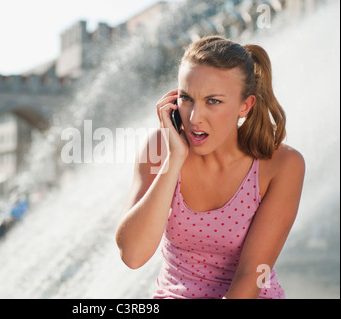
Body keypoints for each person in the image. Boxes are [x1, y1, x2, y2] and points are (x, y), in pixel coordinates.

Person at [115, 36, 305, 299]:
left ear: (244, 105)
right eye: (186, 98)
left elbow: (253, 273)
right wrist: (174, 160)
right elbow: (133, 255)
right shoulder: (160, 149)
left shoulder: (283, 165)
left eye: (213, 101)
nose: (194, 118)